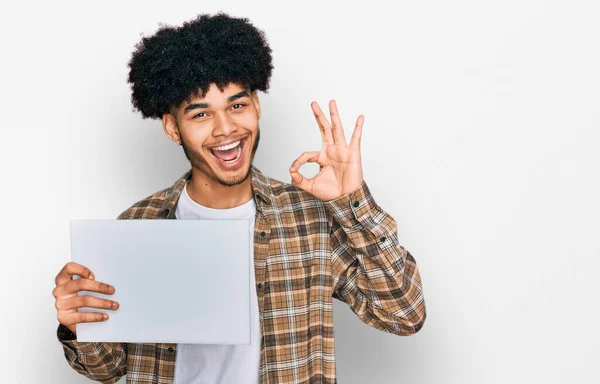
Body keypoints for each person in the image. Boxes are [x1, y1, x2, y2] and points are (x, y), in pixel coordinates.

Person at [53, 12, 426, 384]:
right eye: (201, 114)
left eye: (236, 105)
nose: (226, 128)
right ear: (172, 127)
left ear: (257, 105)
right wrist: (76, 324)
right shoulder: (137, 226)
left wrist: (352, 203)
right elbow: (110, 368)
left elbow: (404, 313)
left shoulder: (308, 220)